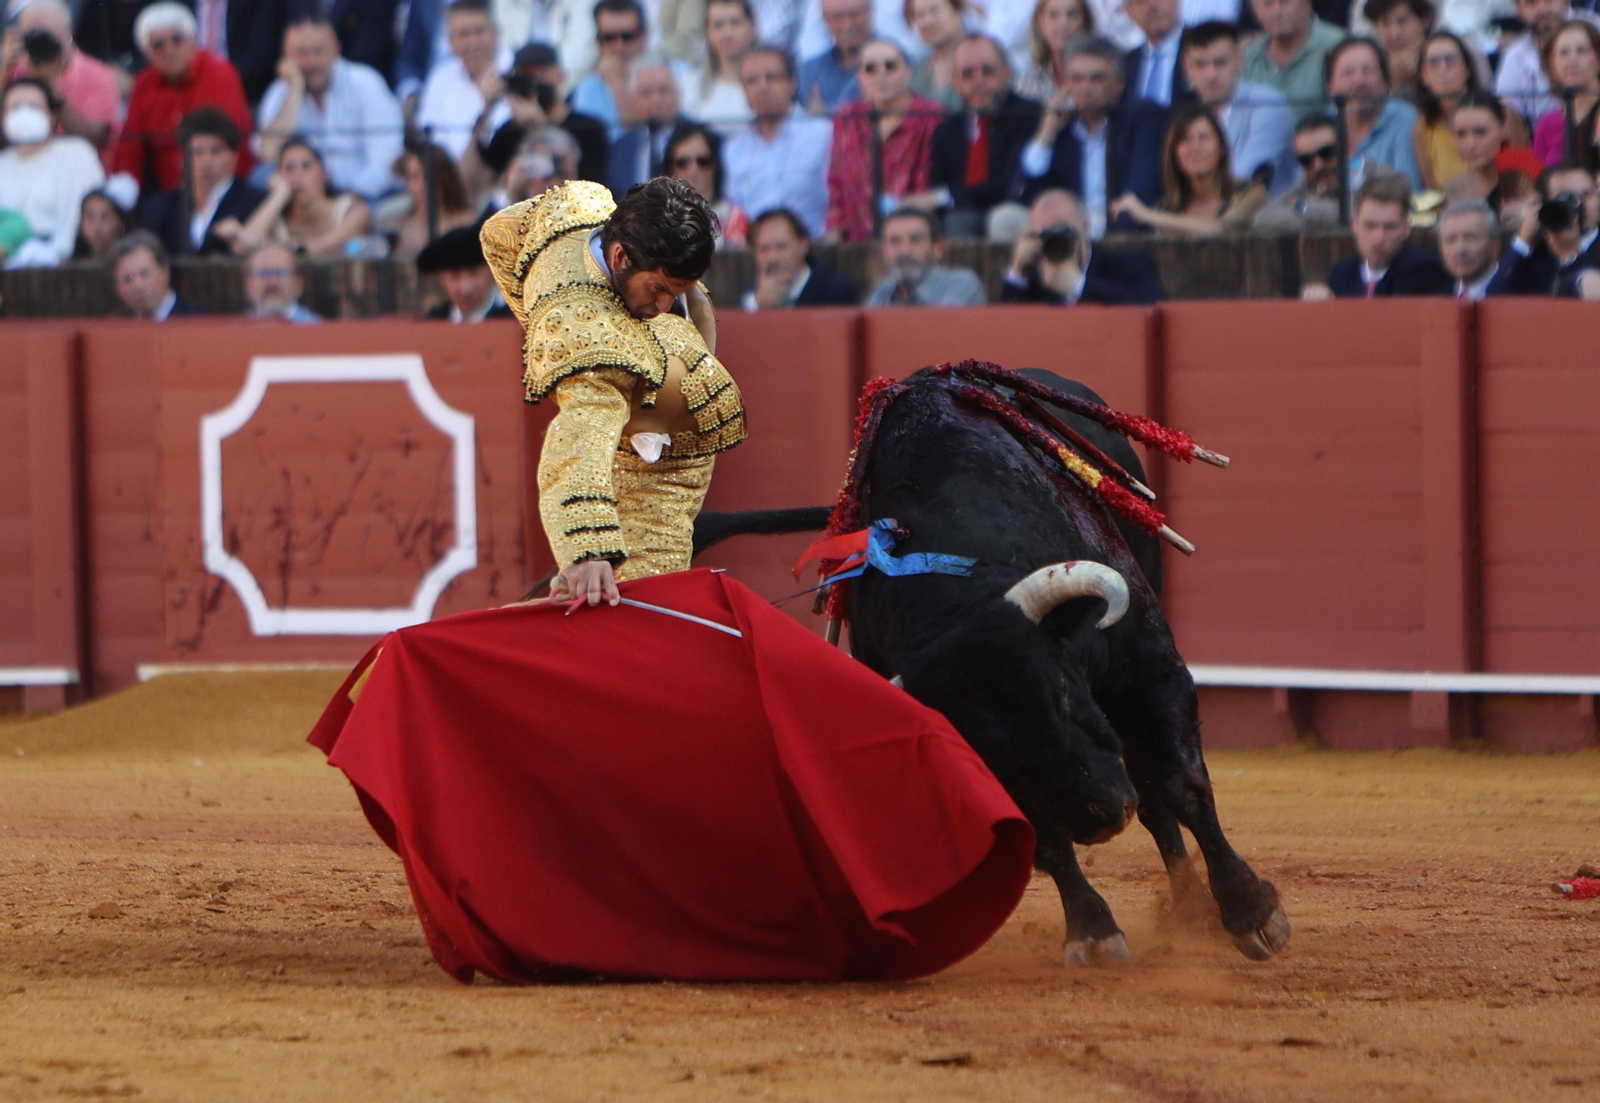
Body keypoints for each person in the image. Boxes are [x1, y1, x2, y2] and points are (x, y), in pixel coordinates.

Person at [310, 176, 1032, 988]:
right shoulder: (585, 330)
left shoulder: (582, 203)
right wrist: (589, 549)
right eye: (660, 287)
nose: (668, 303)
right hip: (640, 494)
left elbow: (498, 234)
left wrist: (562, 301)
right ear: (618, 257)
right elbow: (575, 443)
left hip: (659, 442)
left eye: (682, 289)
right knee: (640, 679)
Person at [1014, 36, 1168, 235]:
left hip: (1125, 235)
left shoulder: (1142, 120)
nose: (1085, 88)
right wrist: (1045, 136)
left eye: (1096, 78)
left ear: (1119, 83)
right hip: (1068, 240)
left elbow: (1142, 191)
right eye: (1077, 79)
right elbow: (1021, 194)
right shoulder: (1061, 129)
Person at [255, 14, 405, 202]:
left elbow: (387, 160)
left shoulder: (366, 83)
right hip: (304, 200)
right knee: (259, 177)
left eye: (318, 52)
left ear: (336, 50)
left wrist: (349, 200)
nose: (311, 62)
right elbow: (268, 154)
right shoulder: (280, 92)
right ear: (287, 55)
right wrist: (294, 91)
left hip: (363, 196)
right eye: (302, 53)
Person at [110, 3, 254, 194]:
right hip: (169, 196)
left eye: (177, 39)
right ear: (147, 53)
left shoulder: (220, 74)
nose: (169, 50)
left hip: (221, 188)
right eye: (158, 45)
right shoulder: (144, 84)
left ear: (193, 41)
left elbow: (236, 143)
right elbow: (130, 150)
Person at [924, 35, 1042, 238]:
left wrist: (951, 196)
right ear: (955, 81)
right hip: (958, 218)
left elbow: (1011, 184)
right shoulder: (946, 130)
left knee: (960, 221)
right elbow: (938, 185)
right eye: (967, 74)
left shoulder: (1030, 116)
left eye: (987, 72)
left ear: (1007, 74)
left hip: (1017, 214)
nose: (978, 81)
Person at [826, 39, 941, 242]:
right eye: (870, 69)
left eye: (890, 66)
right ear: (860, 77)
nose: (881, 76)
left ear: (908, 72)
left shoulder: (931, 115)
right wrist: (833, 232)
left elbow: (932, 182)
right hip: (856, 240)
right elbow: (836, 181)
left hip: (914, 236)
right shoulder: (847, 117)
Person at [467, 43, 612, 197]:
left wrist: (538, 127)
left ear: (561, 76)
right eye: (527, 75)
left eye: (542, 73)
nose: (535, 81)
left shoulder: (589, 128)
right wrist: (487, 107)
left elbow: (593, 189)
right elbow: (477, 179)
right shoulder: (511, 130)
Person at [724, 47, 833, 237]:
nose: (762, 87)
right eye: (752, 81)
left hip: (815, 248)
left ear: (792, 83)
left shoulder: (823, 134)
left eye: (772, 77)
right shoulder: (733, 149)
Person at [1110, 105, 1268, 234]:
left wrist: (1147, 215)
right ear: (1174, 153)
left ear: (1221, 148)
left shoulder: (1250, 192)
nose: (1195, 148)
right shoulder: (1168, 206)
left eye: (1204, 138)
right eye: (1185, 139)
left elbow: (1221, 230)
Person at [0, 76, 104, 267]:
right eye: (15, 107)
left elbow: (79, 215)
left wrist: (58, 256)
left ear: (52, 116)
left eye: (33, 107)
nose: (24, 114)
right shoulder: (2, 163)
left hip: (60, 265)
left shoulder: (76, 152)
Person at [137, 107, 267, 259]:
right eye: (197, 152)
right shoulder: (160, 207)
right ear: (183, 157)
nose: (206, 162)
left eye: (215, 151)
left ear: (234, 156)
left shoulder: (255, 202)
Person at [3, 0, 120, 167]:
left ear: (67, 34)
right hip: (20, 169)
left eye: (47, 36)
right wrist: (3, 69)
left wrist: (51, 86)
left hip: (77, 172)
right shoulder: (14, 69)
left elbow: (93, 140)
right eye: (33, 36)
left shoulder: (96, 75)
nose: (40, 45)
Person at [1180, 21, 1295, 192]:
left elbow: (1245, 177)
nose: (1210, 75)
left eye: (1220, 63)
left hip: (1266, 214)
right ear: (1188, 68)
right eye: (1200, 65)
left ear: (1240, 61)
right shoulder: (1187, 115)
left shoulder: (1268, 105)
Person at [999, 187, 1165, 303]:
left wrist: (1078, 285)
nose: (1053, 241)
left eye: (1060, 230)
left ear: (1086, 226)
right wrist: (1017, 274)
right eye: (1043, 234)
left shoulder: (1129, 266)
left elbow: (1153, 308)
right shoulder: (1035, 284)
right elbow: (1005, 335)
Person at [1302, 174, 1452, 297]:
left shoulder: (1423, 269)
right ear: (1355, 225)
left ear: (1406, 228)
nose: (1379, 237)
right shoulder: (1343, 272)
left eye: (1389, 227)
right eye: (1370, 226)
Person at [225, 138, 374, 259]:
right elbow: (241, 248)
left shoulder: (353, 210)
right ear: (278, 176)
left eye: (306, 166)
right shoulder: (276, 221)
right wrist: (278, 196)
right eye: (289, 168)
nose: (297, 177)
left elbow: (334, 244)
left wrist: (285, 249)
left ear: (324, 174)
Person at [416, 0, 514, 161]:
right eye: (463, 34)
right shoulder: (440, 79)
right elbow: (430, 145)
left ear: (496, 32)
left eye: (479, 31)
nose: (473, 43)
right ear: (450, 41)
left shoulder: (517, 69)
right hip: (451, 181)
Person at [1325, 36, 1422, 190]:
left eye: (1368, 71)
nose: (1359, 81)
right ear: (1330, 86)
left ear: (1385, 81)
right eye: (1348, 73)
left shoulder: (1405, 120)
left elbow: (1408, 189)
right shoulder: (1323, 123)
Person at [1487, 161, 1600, 293]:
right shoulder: (1536, 253)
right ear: (1545, 206)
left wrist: (1570, 255)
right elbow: (1495, 298)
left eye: (1586, 195)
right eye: (1567, 198)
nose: (1580, 205)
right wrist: (1522, 241)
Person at [1255, 114, 1377, 230]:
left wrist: (1304, 207)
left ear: (1347, 149)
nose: (1318, 166)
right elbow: (1262, 218)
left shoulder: (1375, 175)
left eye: (1326, 153)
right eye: (1306, 160)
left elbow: (1360, 216)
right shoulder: (1309, 183)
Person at [1495, 0, 1600, 125]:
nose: (1543, 9)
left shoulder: (1596, 30)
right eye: (1531, 3)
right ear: (1519, 9)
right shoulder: (1514, 57)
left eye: (1549, 0)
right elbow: (1507, 111)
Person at [1242, 0, 1345, 121]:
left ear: (1307, 3)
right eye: (1268, 4)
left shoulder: (1338, 47)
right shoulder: (1246, 58)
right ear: (1255, 12)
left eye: (1285, 2)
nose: (1277, 12)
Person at [740, 206, 859, 307]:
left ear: (803, 245)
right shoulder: (752, 295)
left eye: (781, 247)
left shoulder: (835, 289)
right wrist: (757, 305)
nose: (773, 257)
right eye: (764, 249)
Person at [864, 206, 986, 304]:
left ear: (937, 248)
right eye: (895, 241)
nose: (905, 251)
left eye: (915, 240)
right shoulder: (883, 290)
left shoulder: (961, 284)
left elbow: (938, 331)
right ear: (884, 251)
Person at [383, 142, 480, 259]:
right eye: (413, 177)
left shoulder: (469, 223)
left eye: (428, 176)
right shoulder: (399, 228)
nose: (423, 186)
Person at [571, 0, 650, 140]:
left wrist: (618, 86)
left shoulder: (672, 76)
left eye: (628, 37)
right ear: (597, 40)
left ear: (644, 36)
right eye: (609, 38)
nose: (619, 47)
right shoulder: (589, 89)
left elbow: (648, 141)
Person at [608, 58, 688, 195]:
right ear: (633, 100)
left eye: (664, 91)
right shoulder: (621, 147)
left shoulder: (696, 137)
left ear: (677, 94)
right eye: (646, 93)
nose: (656, 100)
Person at [675, 0, 757, 133]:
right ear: (707, 32)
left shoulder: (770, 84)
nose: (728, 32)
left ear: (752, 27)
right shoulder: (688, 87)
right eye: (718, 25)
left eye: (735, 22)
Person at [664, 121, 750, 245]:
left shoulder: (734, 218)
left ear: (715, 165)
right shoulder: (659, 220)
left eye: (703, 161)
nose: (693, 170)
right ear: (671, 168)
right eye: (682, 163)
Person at [1532, 21, 1600, 167]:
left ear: (1597, 59)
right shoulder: (1547, 124)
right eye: (1563, 52)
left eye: (1581, 50)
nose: (1572, 60)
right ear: (1551, 64)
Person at [417, 223, 514, 320]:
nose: (466, 289)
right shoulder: (434, 322)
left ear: (493, 271)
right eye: (455, 277)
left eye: (474, 274)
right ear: (442, 278)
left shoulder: (515, 322)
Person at [109, 230, 205, 318]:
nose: (138, 285)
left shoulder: (198, 321)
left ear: (165, 272)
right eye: (128, 279)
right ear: (117, 288)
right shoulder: (116, 327)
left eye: (144, 274)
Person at [1120, 0, 1197, 108]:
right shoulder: (1125, 64)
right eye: (1141, 1)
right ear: (1129, 11)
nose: (1153, 5)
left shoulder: (1201, 51)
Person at [1014, 0, 1093, 103]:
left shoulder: (1102, 76)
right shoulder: (1028, 83)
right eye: (1053, 15)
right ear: (1040, 24)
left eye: (1072, 14)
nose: (1063, 24)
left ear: (1085, 23)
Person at [799, 0, 871, 112]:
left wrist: (825, 113)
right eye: (837, 17)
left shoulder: (892, 63)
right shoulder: (810, 71)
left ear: (870, 13)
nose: (847, 24)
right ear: (824, 20)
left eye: (854, 15)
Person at [1363, 0, 1432, 100]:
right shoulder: (1370, 67)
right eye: (1385, 23)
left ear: (1425, 20)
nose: (1394, 34)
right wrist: (1395, 83)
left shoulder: (1443, 58)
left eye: (1402, 21)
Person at [906, 0, 967, 111]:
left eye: (934, 10)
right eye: (919, 14)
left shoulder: (986, 59)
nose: (928, 22)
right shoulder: (916, 74)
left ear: (957, 11)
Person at [243, 241, 324, 323]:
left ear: (299, 284)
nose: (272, 282)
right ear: (248, 285)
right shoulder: (237, 329)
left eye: (281, 273)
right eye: (263, 273)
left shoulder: (319, 328)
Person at [1434, 198, 1499, 298]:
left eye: (1470, 238)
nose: (1460, 249)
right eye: (1451, 240)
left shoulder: (1517, 293)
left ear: (1495, 246)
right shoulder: (1437, 300)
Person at [72, 182, 138, 260]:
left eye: (105, 216)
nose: (97, 227)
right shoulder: (70, 265)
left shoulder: (134, 262)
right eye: (90, 217)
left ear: (121, 221)